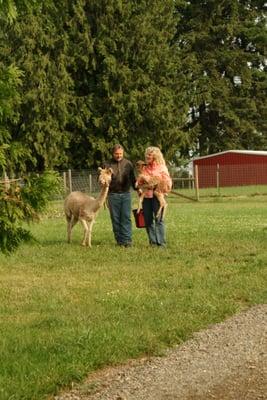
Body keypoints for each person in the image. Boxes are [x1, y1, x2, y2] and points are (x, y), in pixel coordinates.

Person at [105, 144, 136, 247]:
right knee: (116, 218)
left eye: (120, 154)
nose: (118, 155)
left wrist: (138, 189)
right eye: (116, 154)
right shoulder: (107, 164)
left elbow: (133, 179)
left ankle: (127, 241)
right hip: (113, 195)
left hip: (126, 194)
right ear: (113, 154)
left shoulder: (128, 164)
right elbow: (101, 178)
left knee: (126, 218)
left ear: (123, 153)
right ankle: (119, 241)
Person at [140, 146, 172, 247]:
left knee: (159, 219)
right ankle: (153, 242)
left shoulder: (162, 167)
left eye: (149, 154)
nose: (147, 156)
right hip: (146, 197)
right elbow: (141, 182)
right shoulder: (144, 168)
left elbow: (167, 182)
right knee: (148, 220)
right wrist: (141, 182)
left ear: (155, 156)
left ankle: (161, 243)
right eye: (146, 154)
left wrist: (160, 185)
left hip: (158, 197)